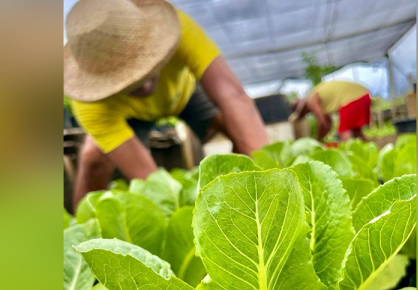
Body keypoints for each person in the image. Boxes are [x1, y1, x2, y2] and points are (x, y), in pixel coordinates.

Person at [64, 0, 268, 209]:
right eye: (127, 80)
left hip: (183, 94)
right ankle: (81, 227)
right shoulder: (89, 105)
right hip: (131, 115)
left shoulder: (180, 30)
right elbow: (150, 180)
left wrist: (268, 180)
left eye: (144, 68)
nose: (143, 87)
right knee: (93, 158)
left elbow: (234, 96)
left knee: (238, 127)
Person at [290, 80, 372, 142]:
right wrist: (320, 139)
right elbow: (328, 124)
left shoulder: (311, 101)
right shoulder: (321, 104)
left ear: (304, 109)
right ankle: (370, 152)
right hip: (363, 95)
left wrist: (317, 140)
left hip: (351, 98)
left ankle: (350, 157)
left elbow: (322, 123)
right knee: (357, 132)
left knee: (344, 131)